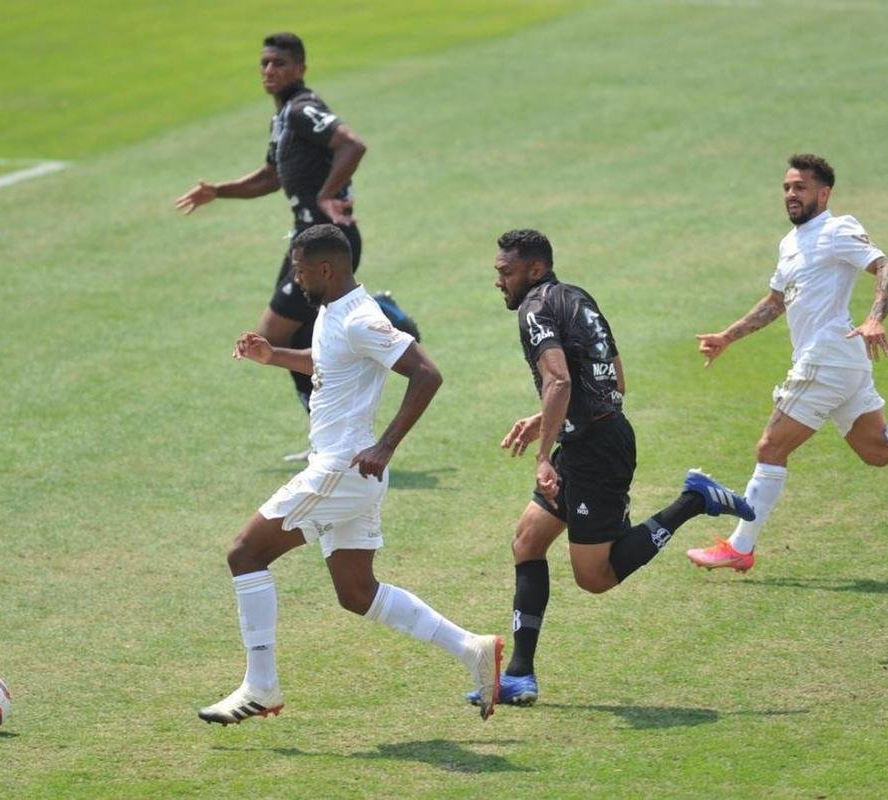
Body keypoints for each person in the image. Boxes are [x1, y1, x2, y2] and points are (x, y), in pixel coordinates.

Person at [201, 224, 502, 725]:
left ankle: (261, 686)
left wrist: (386, 445)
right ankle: (472, 649)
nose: (294, 279)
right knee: (356, 593)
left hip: (340, 468)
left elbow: (427, 374)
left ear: (326, 269)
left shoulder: (361, 317)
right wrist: (274, 356)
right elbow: (328, 363)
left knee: (245, 553)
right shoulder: (332, 313)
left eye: (299, 270)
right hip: (349, 473)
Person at [466, 229, 755, 708]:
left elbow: (558, 378)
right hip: (587, 438)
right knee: (528, 541)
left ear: (534, 270)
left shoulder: (534, 310)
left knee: (594, 577)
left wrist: (542, 454)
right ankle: (520, 674)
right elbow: (614, 379)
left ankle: (694, 500)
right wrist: (549, 420)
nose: (499, 281)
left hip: (596, 453)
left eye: (505, 271)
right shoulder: (578, 299)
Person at [687, 154, 888, 573]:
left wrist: (875, 317)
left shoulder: (837, 229)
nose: (791, 195)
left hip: (826, 357)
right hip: (843, 360)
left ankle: (740, 546)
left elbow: (887, 270)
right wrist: (728, 337)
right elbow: (775, 302)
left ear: (823, 194)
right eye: (787, 187)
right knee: (878, 450)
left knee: (771, 447)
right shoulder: (790, 244)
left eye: (800, 187)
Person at [176, 32, 376, 455]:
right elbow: (271, 176)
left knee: (274, 333)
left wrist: (327, 194)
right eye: (265, 63)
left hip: (327, 245)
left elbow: (353, 145)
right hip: (305, 245)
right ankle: (329, 436)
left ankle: (392, 318)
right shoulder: (284, 116)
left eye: (280, 64)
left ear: (300, 69)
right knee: (301, 333)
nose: (270, 70)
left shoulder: (304, 110)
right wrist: (219, 190)